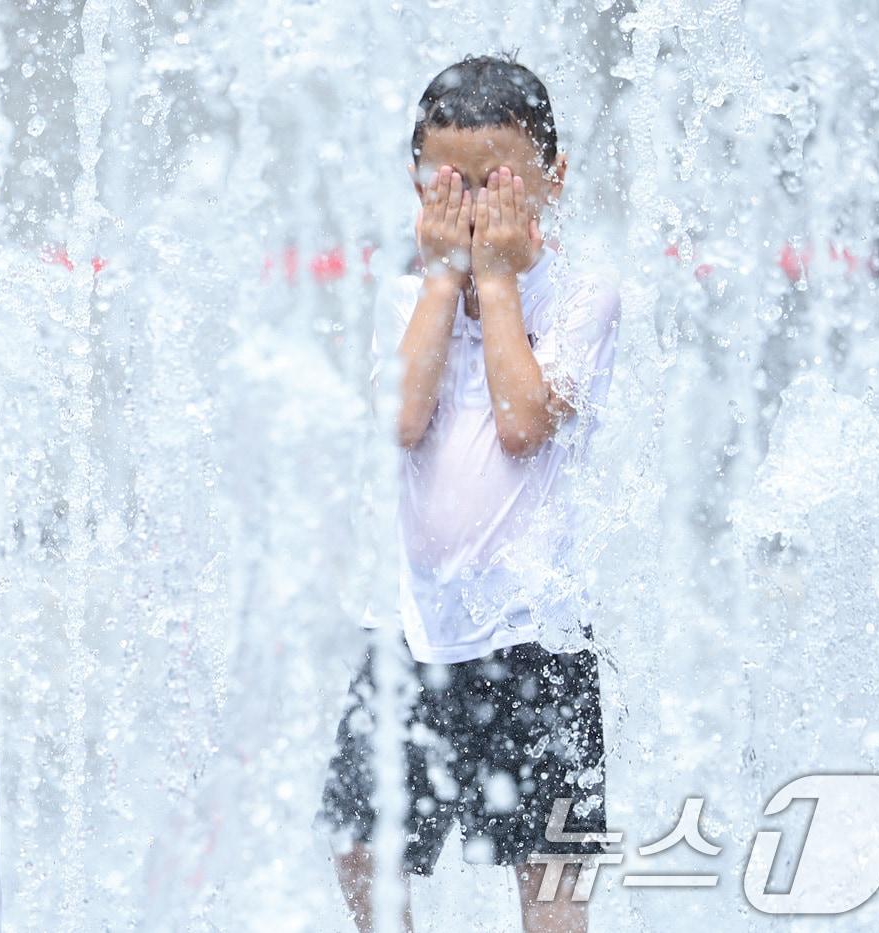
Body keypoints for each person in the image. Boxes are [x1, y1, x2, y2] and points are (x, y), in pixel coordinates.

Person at [317, 55, 621, 933]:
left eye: (500, 182)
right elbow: (402, 421)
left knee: (552, 873)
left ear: (552, 181)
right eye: (449, 182)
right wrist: (447, 278)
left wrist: (495, 278)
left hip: (537, 629)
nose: (476, 203)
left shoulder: (582, 294)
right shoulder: (409, 294)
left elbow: (524, 422)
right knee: (361, 843)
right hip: (413, 622)